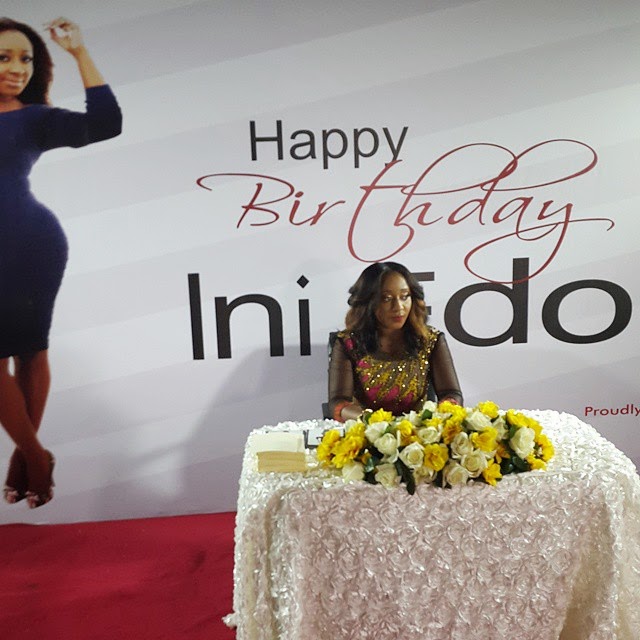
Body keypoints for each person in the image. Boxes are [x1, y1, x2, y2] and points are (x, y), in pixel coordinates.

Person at [0, 17, 122, 508]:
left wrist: (79, 52)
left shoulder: (33, 118)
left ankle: (25, 459)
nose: (17, 68)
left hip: (29, 245)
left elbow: (106, 124)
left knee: (31, 352)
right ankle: (36, 456)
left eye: (25, 58)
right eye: (3, 57)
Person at [328, 262, 463, 422]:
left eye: (404, 297)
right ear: (368, 302)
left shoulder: (430, 340)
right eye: (386, 299)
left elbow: (451, 393)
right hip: (366, 431)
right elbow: (338, 402)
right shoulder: (348, 343)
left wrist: (440, 414)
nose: (398, 307)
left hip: (418, 432)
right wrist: (373, 421)